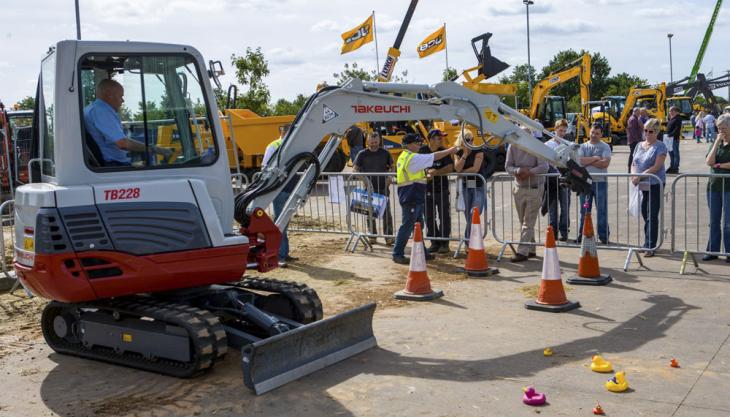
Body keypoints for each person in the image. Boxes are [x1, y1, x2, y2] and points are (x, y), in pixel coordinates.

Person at [392, 133, 458, 264]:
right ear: (409, 145)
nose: (419, 145)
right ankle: (397, 253)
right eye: (417, 143)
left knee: (417, 225)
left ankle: (422, 251)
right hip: (411, 196)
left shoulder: (405, 156)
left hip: (412, 195)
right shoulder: (412, 157)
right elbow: (434, 156)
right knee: (407, 226)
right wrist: (451, 150)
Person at [84, 79, 172, 166]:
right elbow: (122, 143)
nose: (123, 101)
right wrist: (155, 149)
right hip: (115, 165)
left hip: (112, 162)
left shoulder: (91, 109)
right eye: (120, 97)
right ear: (108, 94)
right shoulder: (101, 112)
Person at [505, 127, 550, 262]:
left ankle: (522, 251)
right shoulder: (512, 146)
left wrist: (528, 172)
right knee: (524, 221)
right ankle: (531, 249)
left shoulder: (537, 147)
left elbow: (544, 166)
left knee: (528, 222)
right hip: (519, 188)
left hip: (534, 188)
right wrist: (518, 170)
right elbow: (508, 166)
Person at [262, 124, 298, 267]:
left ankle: (284, 252)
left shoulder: (293, 146)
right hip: (280, 188)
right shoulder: (274, 146)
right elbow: (265, 167)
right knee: (281, 222)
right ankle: (279, 255)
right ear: (284, 133)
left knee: (285, 221)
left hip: (290, 188)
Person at [631, 118, 668, 257]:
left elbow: (656, 167)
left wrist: (640, 176)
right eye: (645, 130)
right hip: (642, 184)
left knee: (652, 214)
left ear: (657, 132)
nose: (647, 133)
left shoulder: (660, 146)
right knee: (644, 212)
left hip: (655, 183)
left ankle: (651, 245)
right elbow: (633, 162)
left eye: (650, 131)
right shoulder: (639, 145)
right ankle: (646, 242)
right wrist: (634, 175)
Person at [353, 131, 394, 246]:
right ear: (367, 141)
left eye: (376, 142)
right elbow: (355, 170)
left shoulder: (385, 153)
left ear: (379, 141)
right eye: (371, 142)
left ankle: (389, 237)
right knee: (369, 213)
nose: (373, 144)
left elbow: (392, 166)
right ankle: (372, 236)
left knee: (387, 213)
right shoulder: (362, 154)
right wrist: (364, 179)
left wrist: (390, 176)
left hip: (383, 187)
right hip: (369, 189)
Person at [419, 129, 454, 253]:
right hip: (426, 189)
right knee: (429, 216)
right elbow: (417, 166)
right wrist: (426, 172)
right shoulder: (422, 151)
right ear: (431, 139)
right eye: (439, 138)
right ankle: (434, 241)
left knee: (444, 216)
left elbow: (450, 167)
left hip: (442, 189)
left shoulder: (443, 151)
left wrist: (436, 172)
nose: (442, 140)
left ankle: (444, 243)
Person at [577, 124, 612, 244]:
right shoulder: (582, 146)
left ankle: (603, 236)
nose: (594, 135)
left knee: (601, 210)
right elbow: (580, 162)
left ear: (601, 134)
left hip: (600, 183)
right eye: (592, 132)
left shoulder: (605, 146)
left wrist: (589, 161)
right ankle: (583, 234)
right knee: (584, 210)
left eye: (597, 133)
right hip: (585, 184)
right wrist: (596, 158)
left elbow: (605, 164)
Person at [703, 113, 730, 262]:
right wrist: (716, 142)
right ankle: (712, 251)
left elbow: (715, 164)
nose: (721, 131)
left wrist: (719, 165)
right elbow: (709, 161)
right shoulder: (717, 142)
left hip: (728, 188)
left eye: (724, 128)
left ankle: (729, 252)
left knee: (728, 223)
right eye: (719, 128)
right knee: (714, 221)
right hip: (714, 187)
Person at [454, 131, 486, 240]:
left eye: (471, 139)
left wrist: (462, 172)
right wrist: (465, 155)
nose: (470, 142)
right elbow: (457, 168)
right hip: (465, 186)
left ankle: (468, 239)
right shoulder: (459, 153)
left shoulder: (479, 150)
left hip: (478, 186)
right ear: (462, 141)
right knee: (468, 215)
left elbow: (475, 169)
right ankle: (472, 241)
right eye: (467, 140)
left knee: (475, 213)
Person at [543, 119, 571, 241]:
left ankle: (564, 232)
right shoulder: (548, 145)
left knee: (565, 207)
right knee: (553, 208)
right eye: (560, 130)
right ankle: (552, 232)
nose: (562, 133)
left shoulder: (568, 144)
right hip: (552, 180)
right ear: (555, 130)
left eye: (564, 131)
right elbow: (544, 161)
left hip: (565, 180)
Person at [666, 106, 682, 174]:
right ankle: (672, 166)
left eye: (671, 111)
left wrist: (671, 134)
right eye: (669, 111)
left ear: (675, 111)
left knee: (675, 154)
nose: (670, 112)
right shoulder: (672, 118)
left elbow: (677, 129)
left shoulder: (678, 118)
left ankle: (675, 168)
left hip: (674, 139)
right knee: (671, 153)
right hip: (670, 139)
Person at [626, 107, 643, 172]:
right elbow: (633, 131)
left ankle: (632, 168)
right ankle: (630, 169)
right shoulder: (633, 119)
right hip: (634, 141)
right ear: (635, 112)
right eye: (638, 112)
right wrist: (638, 140)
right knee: (633, 154)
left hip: (634, 140)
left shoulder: (635, 118)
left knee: (634, 154)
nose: (639, 114)